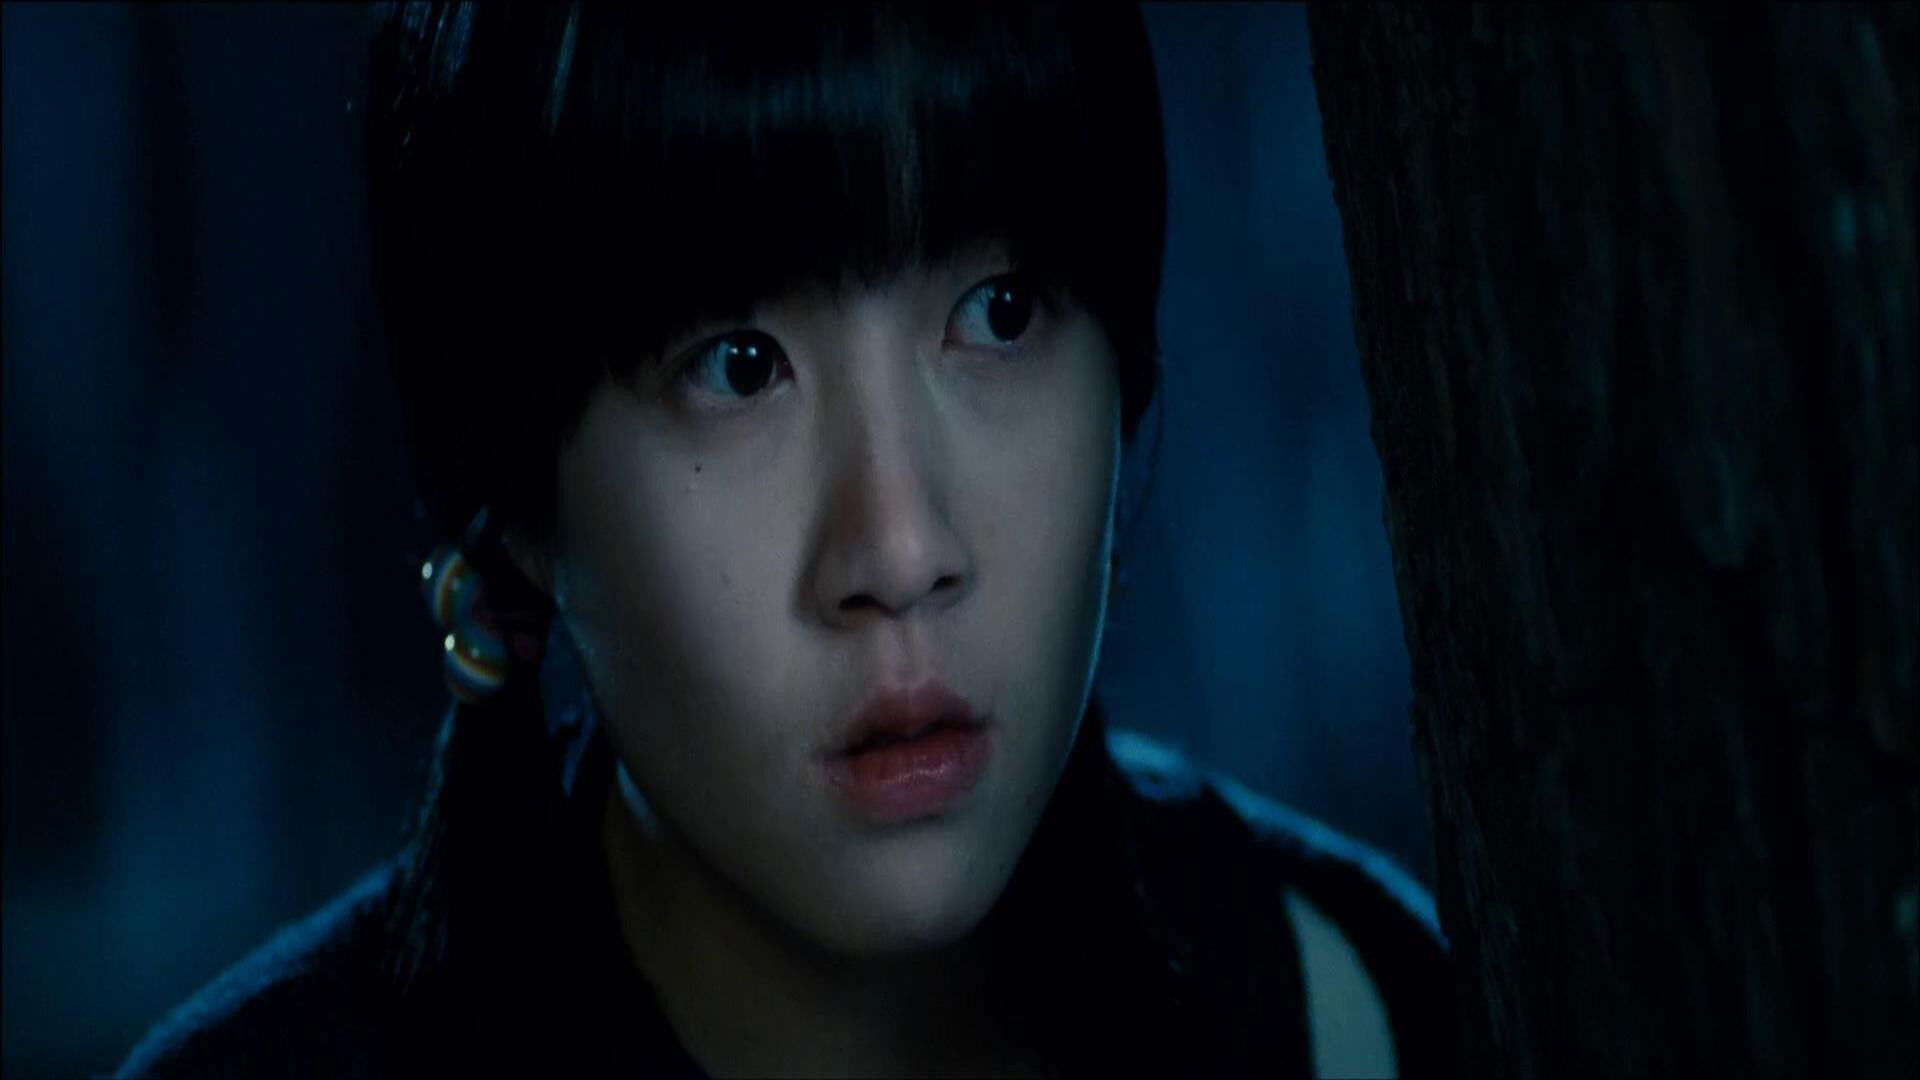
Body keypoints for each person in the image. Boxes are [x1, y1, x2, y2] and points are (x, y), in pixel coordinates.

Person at [116, 4, 1457, 1077]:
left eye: (1000, 312)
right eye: (739, 366)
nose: (902, 549)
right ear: (519, 503)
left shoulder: (1352, 1010)